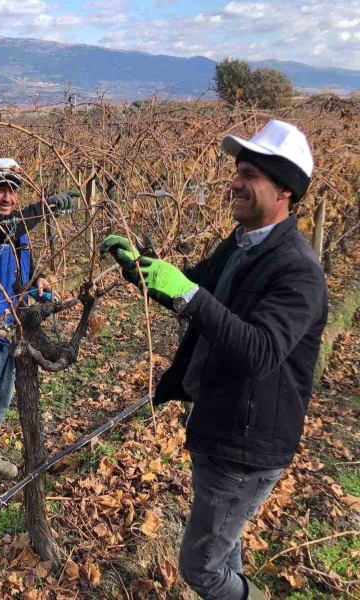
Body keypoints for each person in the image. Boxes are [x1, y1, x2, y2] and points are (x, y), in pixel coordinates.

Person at [100, 120, 327, 600]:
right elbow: (192, 286)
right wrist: (140, 267)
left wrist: (187, 293)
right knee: (225, 548)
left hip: (245, 446)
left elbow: (260, 351)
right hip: (221, 426)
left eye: (249, 174)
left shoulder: (297, 270)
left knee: (201, 570)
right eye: (237, 171)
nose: (234, 182)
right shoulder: (243, 243)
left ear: (285, 190)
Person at [0, 158, 75, 510]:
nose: (6, 196)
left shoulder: (18, 226)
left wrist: (37, 280)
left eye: (12, 190)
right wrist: (45, 207)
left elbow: (24, 259)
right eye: (0, 188)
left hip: (12, 325)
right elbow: (0, 230)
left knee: (2, 398)